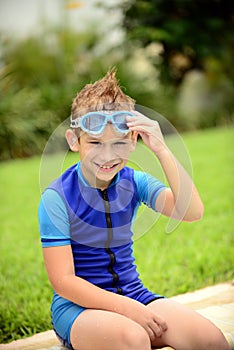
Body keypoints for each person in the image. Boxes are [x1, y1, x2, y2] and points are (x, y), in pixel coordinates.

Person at [38, 70, 230, 350]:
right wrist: (128, 310)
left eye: (119, 142)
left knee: (212, 341)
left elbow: (191, 211)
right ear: (73, 140)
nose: (107, 155)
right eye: (95, 143)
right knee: (134, 338)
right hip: (78, 311)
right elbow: (64, 282)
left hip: (134, 294)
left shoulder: (134, 182)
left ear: (133, 141)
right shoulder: (56, 197)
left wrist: (161, 148)